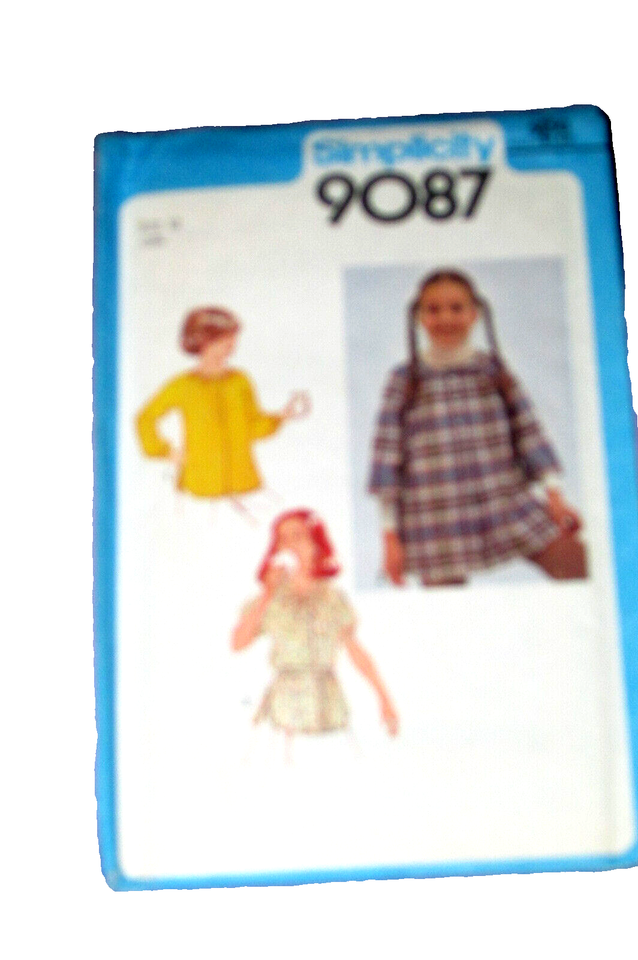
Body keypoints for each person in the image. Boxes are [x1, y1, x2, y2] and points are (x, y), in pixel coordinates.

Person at [369, 270, 587, 586]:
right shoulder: (404, 381)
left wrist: (554, 494)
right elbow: (386, 459)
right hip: (435, 519)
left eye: (456, 308)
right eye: (433, 309)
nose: (446, 318)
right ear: (419, 316)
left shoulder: (493, 371)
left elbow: (529, 432)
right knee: (446, 606)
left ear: (474, 313)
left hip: (502, 502)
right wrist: (390, 536)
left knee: (577, 564)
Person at [232, 509, 399, 739]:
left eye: (298, 536)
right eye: (283, 539)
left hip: (326, 706)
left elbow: (356, 652)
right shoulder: (270, 598)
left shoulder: (333, 598)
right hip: (283, 708)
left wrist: (384, 699)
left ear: (316, 543)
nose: (290, 544)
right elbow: (238, 643)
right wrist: (267, 594)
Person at [136, 307, 309, 503]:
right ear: (202, 340)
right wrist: (165, 451)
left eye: (233, 336)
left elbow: (253, 428)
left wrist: (280, 417)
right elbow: (145, 418)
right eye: (223, 337)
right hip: (200, 490)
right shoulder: (183, 385)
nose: (231, 343)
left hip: (245, 486)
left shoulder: (240, 381)